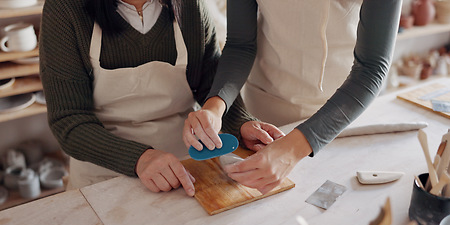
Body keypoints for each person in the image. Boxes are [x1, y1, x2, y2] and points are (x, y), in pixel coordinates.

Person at [39, 0, 284, 196]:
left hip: (186, 168)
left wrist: (240, 124)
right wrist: (139, 159)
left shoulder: (190, 6)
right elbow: (69, 121)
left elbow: (211, 86)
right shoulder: (65, 9)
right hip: (101, 173)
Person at [183, 0, 402, 194]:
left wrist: (293, 148)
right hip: (267, 113)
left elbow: (372, 68)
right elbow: (241, 45)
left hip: (344, 114)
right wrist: (215, 106)